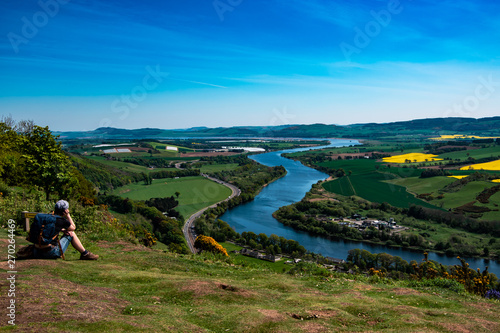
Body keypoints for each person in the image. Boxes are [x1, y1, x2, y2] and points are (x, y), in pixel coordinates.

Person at [32, 200, 99, 260]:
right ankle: (85, 254)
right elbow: (73, 227)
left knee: (68, 232)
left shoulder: (49, 218)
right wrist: (68, 215)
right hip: (50, 253)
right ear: (65, 210)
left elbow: (50, 228)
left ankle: (85, 254)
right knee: (71, 233)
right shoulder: (61, 220)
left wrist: (62, 230)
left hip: (36, 252)